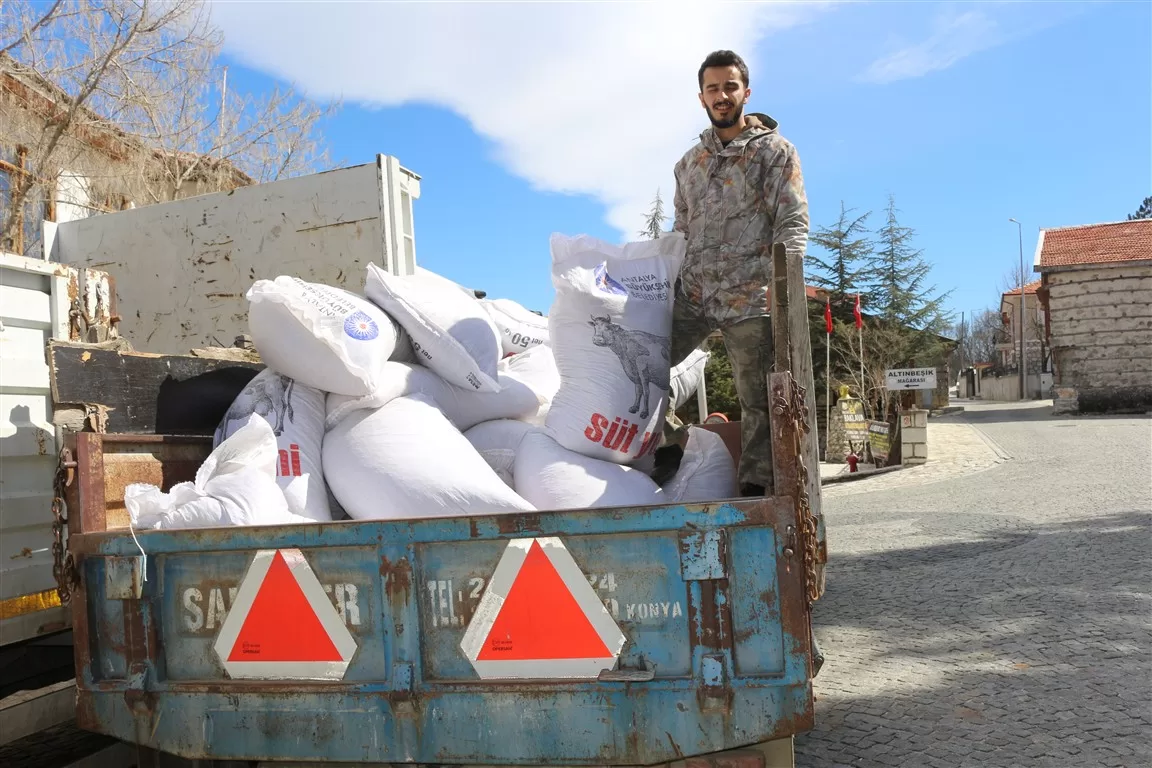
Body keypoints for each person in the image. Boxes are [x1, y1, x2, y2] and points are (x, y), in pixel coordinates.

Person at [653, 49, 810, 497]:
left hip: (749, 294)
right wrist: (661, 279)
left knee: (758, 396)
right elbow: (680, 230)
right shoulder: (689, 164)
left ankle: (758, 488)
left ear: (746, 92)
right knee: (640, 361)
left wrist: (785, 287)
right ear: (701, 97)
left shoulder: (774, 152)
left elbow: (792, 221)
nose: (722, 96)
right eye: (713, 88)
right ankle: (669, 445)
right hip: (695, 292)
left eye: (730, 87)